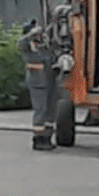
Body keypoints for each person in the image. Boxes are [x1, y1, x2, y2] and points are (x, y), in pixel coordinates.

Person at [18, 19, 59, 151]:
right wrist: (31, 34)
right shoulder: (27, 45)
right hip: (38, 82)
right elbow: (20, 43)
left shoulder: (43, 45)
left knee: (50, 111)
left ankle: (47, 137)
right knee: (40, 111)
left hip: (50, 80)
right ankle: (38, 139)